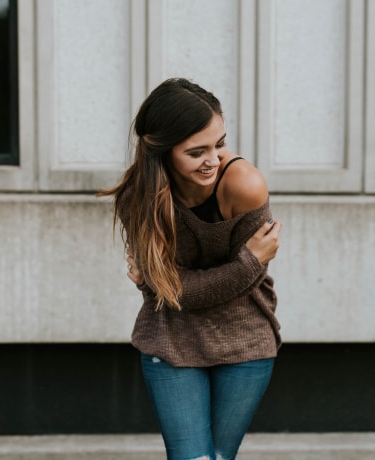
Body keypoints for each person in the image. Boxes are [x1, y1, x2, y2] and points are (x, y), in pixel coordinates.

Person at [98, 78, 282, 460]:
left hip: (244, 341)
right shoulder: (139, 198)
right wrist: (247, 263)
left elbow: (176, 286)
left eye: (220, 143)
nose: (213, 160)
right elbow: (171, 289)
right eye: (196, 152)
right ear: (160, 151)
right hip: (170, 339)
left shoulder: (244, 185)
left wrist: (159, 283)